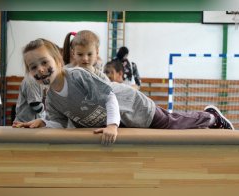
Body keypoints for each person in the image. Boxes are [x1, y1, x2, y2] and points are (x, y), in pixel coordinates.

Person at [13, 38, 234, 146]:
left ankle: (212, 117)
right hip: (122, 121)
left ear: (59, 61)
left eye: (44, 62)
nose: (40, 70)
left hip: (131, 105)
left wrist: (111, 125)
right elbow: (59, 123)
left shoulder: (77, 76)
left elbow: (109, 96)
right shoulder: (50, 98)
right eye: (33, 67)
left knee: (173, 123)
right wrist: (42, 123)